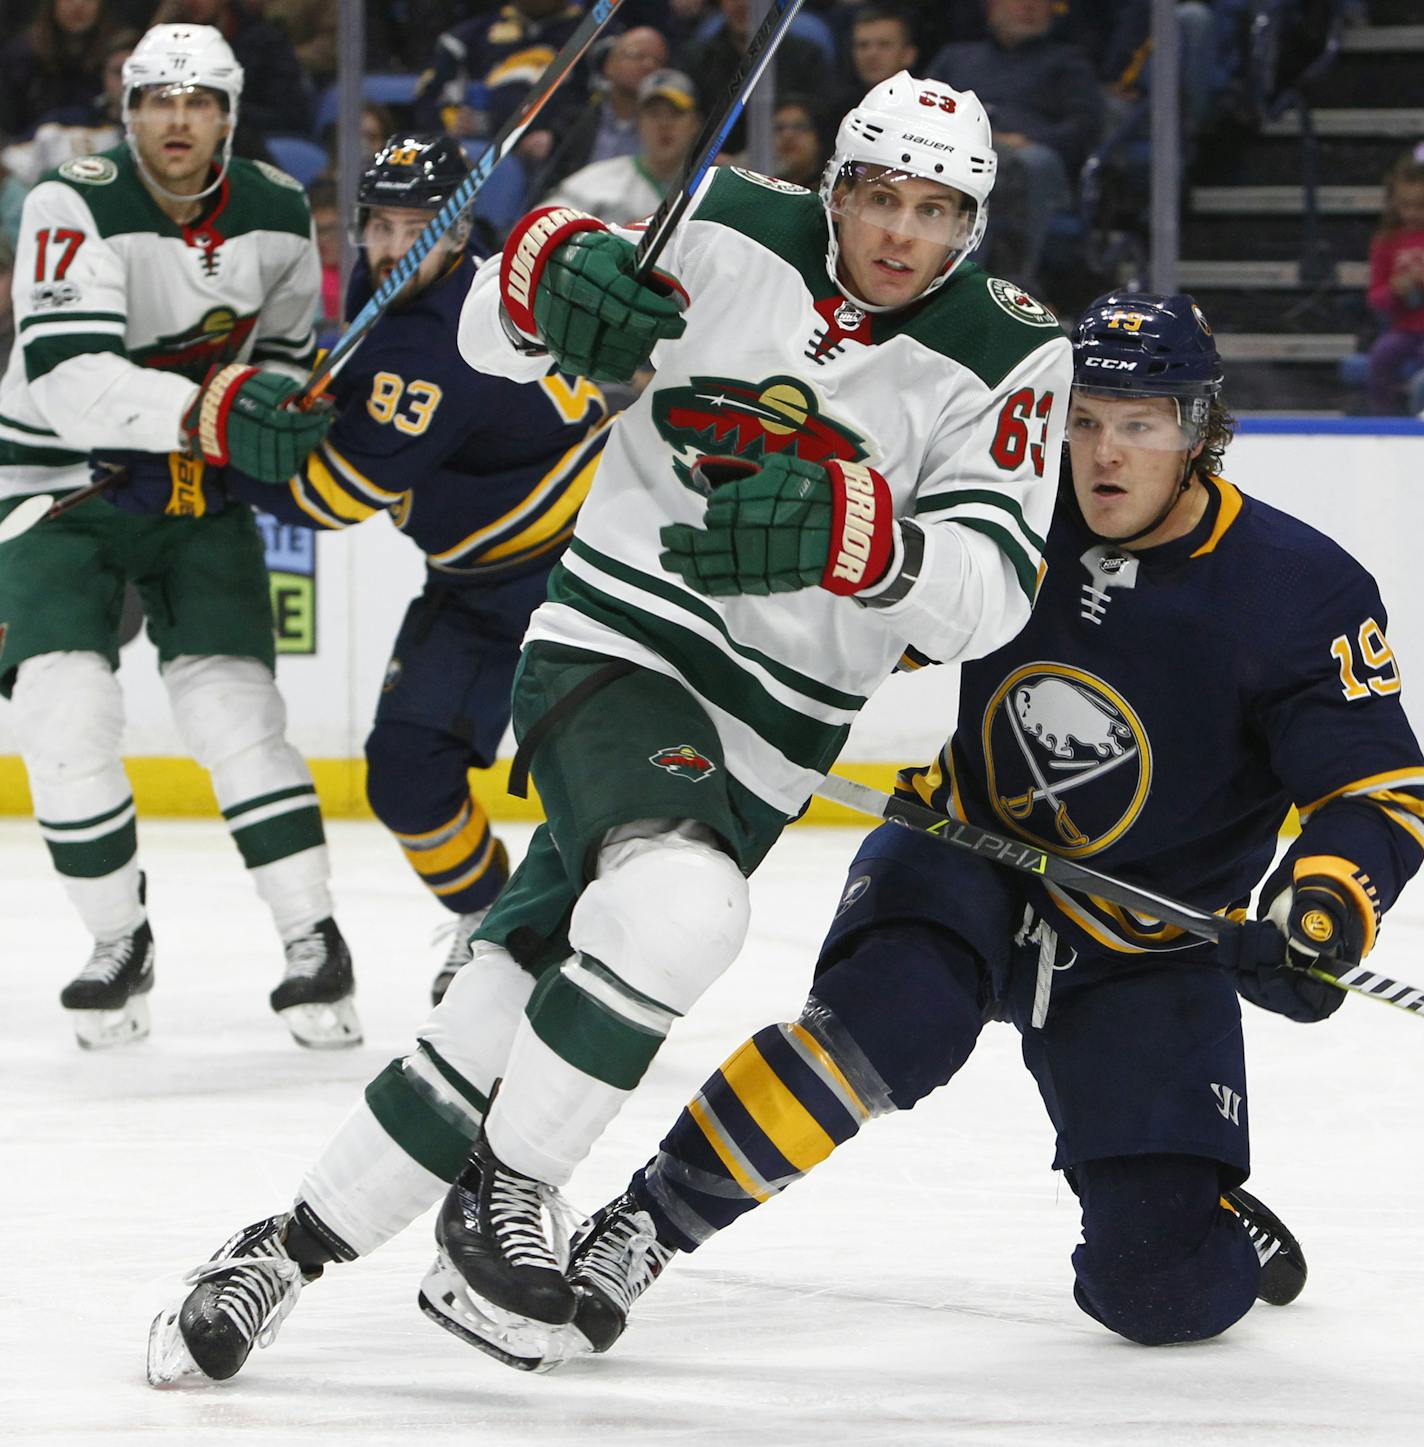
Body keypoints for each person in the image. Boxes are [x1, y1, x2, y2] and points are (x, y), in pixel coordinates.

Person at [145, 70, 1074, 1387]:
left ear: (973, 223)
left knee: (506, 1005)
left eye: (934, 209)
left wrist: (870, 533)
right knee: (687, 906)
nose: (898, 232)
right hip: (613, 645)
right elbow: (489, 333)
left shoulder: (1015, 349)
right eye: (877, 195)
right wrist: (541, 279)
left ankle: (278, 1250)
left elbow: (985, 593)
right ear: (837, 188)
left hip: (771, 740)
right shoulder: (727, 217)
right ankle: (507, 1194)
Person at [546, 290, 1424, 1365]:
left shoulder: (1300, 592)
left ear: (1196, 433)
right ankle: (648, 1219)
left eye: (1139, 424)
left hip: (1144, 939)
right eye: (1083, 418)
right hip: (969, 848)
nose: (1101, 454)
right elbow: (877, 623)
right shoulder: (1008, 515)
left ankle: (1200, 1216)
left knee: (1159, 1295)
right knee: (884, 1022)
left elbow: (1372, 790)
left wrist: (1318, 907)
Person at [108, 133, 612, 1004]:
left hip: (578, 585)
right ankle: (493, 921)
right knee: (409, 774)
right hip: (479, 582)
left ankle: (587, 964)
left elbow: (332, 497)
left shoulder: (437, 342)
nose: (391, 245)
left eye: (418, 225)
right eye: (380, 223)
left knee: (602, 798)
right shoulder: (430, 307)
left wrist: (199, 455)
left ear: (460, 233)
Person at [0, 23, 349, 1051]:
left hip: (195, 485)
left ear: (230, 116)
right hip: (54, 482)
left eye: (200, 101)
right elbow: (68, 379)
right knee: (65, 718)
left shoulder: (281, 212)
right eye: (159, 99)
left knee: (236, 714)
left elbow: (284, 359)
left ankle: (313, 938)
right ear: (129, 110)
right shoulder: (73, 200)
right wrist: (215, 412)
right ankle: (117, 938)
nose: (179, 118)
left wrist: (278, 406)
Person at [928, 0, 1103, 293]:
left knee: (1030, 161)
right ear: (991, 7)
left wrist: (1031, 140)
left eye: (1039, 2)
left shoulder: (1068, 62)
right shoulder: (956, 58)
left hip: (1038, 168)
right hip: (964, 157)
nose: (1030, 7)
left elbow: (1084, 130)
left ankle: (1006, 285)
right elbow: (924, 114)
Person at [542, 69, 701, 226]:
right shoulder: (599, 179)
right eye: (654, 114)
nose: (664, 124)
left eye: (676, 114)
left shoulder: (713, 186)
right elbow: (542, 226)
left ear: (695, 123)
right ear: (638, 122)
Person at [1366, 152, 1424, 415]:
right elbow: (1375, 296)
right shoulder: (1386, 241)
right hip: (1404, 329)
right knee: (1381, 355)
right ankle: (1384, 421)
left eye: (1420, 206)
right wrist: (1394, 290)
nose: (1412, 213)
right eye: (1405, 205)